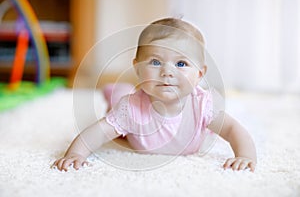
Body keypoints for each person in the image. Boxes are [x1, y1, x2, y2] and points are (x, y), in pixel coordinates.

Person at [53, 18, 257, 172]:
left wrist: (245, 155)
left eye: (181, 64)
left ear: (199, 74)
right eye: (155, 62)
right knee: (119, 99)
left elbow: (232, 129)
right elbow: (99, 131)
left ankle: (119, 89)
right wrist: (76, 154)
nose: (167, 72)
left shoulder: (203, 105)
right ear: (138, 68)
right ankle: (114, 91)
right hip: (130, 112)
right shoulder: (130, 108)